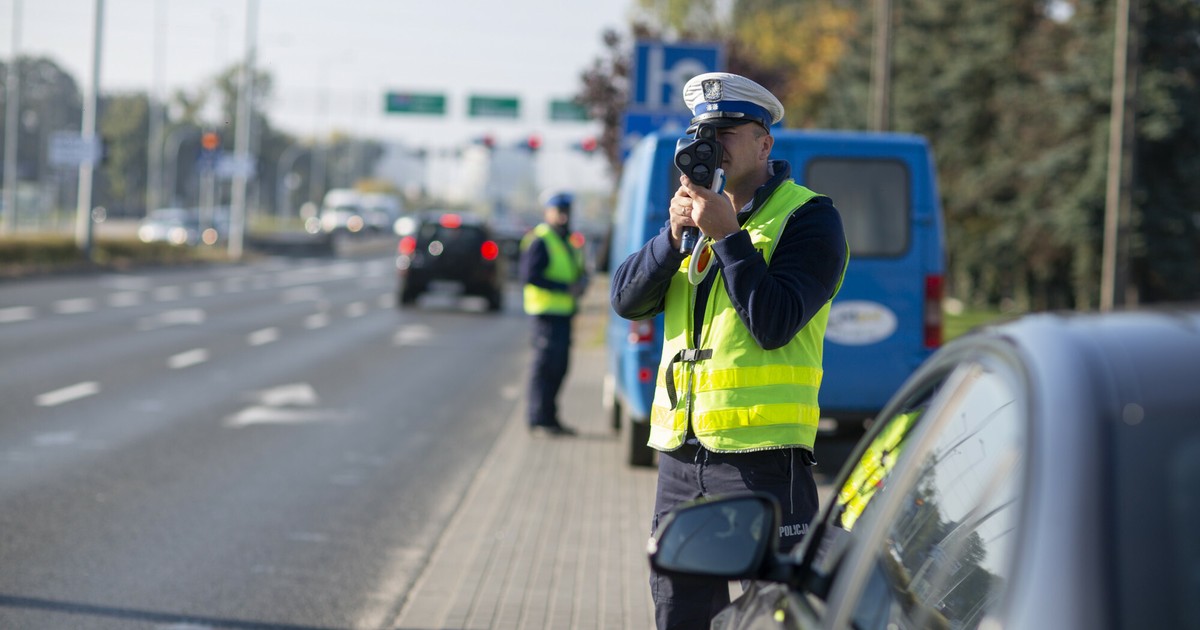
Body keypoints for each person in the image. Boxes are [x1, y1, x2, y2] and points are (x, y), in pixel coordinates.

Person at [610, 72, 849, 629]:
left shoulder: (809, 218)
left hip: (763, 461)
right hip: (681, 457)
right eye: (700, 133)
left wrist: (728, 236)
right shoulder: (691, 222)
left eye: (725, 132)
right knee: (679, 613)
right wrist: (671, 238)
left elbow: (774, 322)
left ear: (765, 144)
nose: (710, 145)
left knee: (776, 615)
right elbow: (625, 300)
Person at [520, 192, 588, 437]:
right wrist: (564, 288)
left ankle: (550, 418)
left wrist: (582, 282)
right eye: (558, 211)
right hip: (545, 315)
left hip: (564, 314)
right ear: (547, 212)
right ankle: (538, 419)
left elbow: (578, 270)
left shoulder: (570, 240)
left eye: (566, 211)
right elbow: (529, 276)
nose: (563, 216)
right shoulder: (540, 240)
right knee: (545, 368)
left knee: (559, 368)